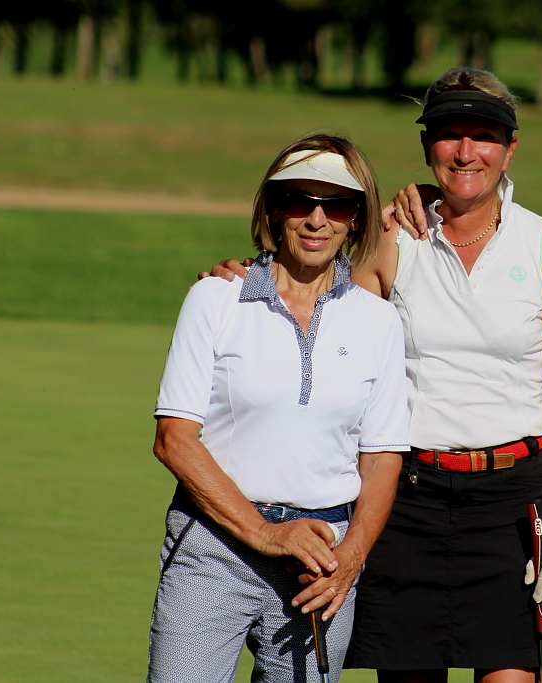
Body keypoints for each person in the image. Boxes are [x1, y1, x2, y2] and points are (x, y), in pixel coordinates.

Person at [207, 68, 542, 683]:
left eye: (484, 136)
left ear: (510, 148)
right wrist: (248, 276)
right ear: (425, 145)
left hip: (512, 505)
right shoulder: (394, 236)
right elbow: (321, 310)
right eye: (448, 135)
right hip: (407, 500)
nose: (465, 152)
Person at [149, 133, 409, 683]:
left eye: (336, 204)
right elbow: (174, 439)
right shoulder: (215, 298)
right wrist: (267, 535)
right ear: (272, 209)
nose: (317, 219)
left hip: (323, 557)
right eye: (299, 200)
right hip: (214, 545)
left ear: (356, 219)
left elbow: (382, 457)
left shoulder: (379, 320)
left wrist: (352, 558)